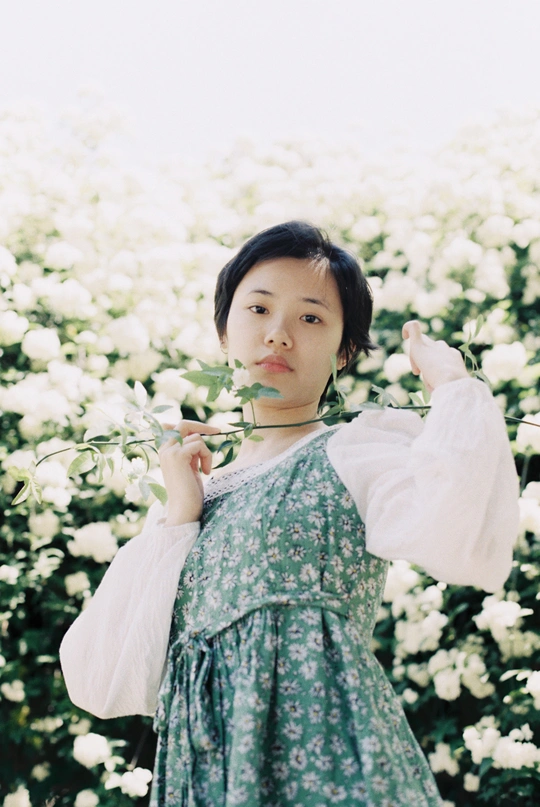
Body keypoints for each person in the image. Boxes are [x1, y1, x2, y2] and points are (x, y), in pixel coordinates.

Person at [60, 221, 519, 807]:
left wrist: (451, 383)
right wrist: (180, 514)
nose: (277, 335)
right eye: (258, 309)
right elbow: (104, 678)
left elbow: (466, 535)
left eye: (310, 318)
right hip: (208, 778)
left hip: (330, 761)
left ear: (343, 352)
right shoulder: (192, 499)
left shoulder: (355, 452)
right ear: (224, 332)